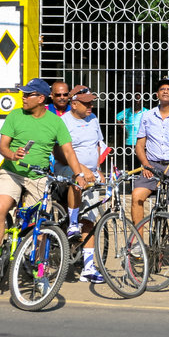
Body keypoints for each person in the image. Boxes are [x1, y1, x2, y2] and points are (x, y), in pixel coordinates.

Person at [0, 79, 87, 274]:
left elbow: (68, 151)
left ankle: (37, 265)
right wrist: (12, 154)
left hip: (39, 176)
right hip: (12, 172)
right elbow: (2, 146)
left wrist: (78, 174)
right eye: (24, 93)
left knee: (41, 220)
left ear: (41, 99)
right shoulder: (15, 115)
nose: (24, 97)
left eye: (28, 94)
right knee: (0, 207)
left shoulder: (55, 122)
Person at [130, 76, 169, 278]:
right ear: (157, 94)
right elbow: (139, 146)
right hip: (152, 165)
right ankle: (138, 244)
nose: (165, 91)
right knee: (136, 196)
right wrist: (146, 165)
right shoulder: (148, 116)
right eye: (162, 89)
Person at [59, 85, 106, 282]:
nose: (91, 106)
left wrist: (97, 169)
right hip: (68, 168)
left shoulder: (93, 119)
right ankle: (72, 224)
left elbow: (96, 145)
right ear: (74, 103)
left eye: (92, 102)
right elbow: (61, 153)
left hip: (91, 172)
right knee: (77, 182)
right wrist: (81, 169)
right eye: (86, 103)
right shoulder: (63, 121)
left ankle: (88, 267)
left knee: (91, 219)